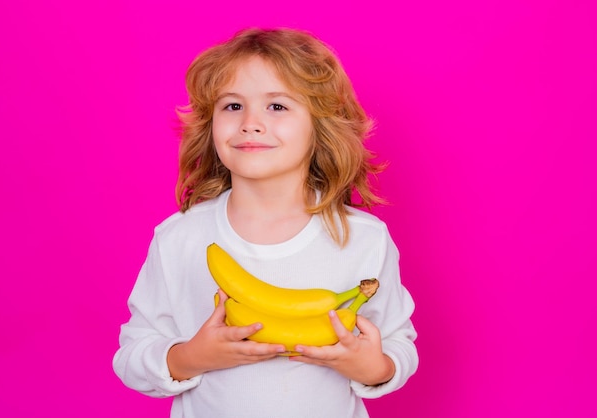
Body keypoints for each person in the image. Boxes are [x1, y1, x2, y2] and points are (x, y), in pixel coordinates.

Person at [113, 27, 418, 418]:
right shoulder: (180, 237)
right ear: (210, 126)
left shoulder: (363, 239)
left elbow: (399, 344)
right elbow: (131, 354)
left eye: (277, 106)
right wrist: (189, 357)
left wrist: (373, 368)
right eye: (233, 106)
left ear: (320, 127)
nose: (250, 123)